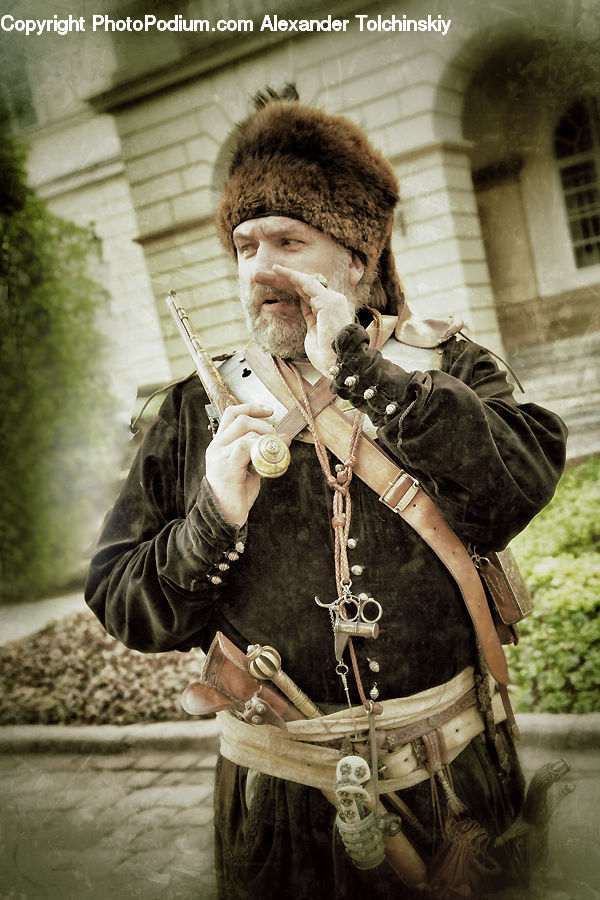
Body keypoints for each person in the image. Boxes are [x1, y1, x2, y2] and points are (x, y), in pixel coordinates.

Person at [85, 86, 568, 900]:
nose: (261, 268)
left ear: (357, 258)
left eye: (288, 240)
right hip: (282, 811)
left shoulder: (447, 368)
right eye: (245, 246)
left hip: (457, 789)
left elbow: (514, 486)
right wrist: (212, 519)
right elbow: (122, 602)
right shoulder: (191, 412)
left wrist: (363, 370)